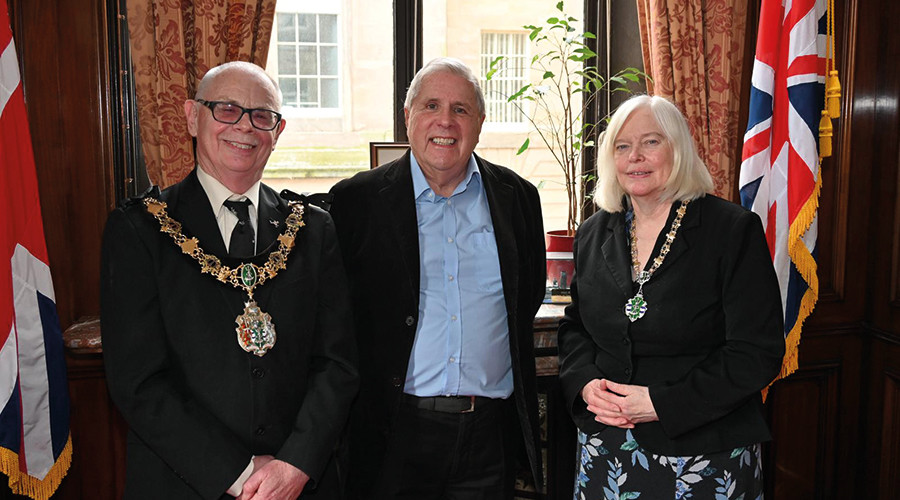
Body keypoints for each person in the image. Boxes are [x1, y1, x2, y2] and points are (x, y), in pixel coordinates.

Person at [100, 61, 358, 500]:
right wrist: (238, 473)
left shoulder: (314, 229)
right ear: (191, 117)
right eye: (227, 108)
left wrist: (296, 463)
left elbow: (337, 365)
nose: (245, 127)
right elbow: (139, 382)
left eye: (262, 115)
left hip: (298, 486)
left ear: (277, 133)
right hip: (183, 484)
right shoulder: (139, 231)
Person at [328, 57, 546, 499]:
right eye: (431, 106)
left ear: (480, 123)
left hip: (490, 437)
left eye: (461, 110)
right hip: (393, 434)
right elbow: (334, 318)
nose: (445, 121)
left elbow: (529, 296)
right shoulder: (356, 202)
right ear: (408, 117)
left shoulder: (518, 198)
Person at [557, 94, 785, 498]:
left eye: (651, 142)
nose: (635, 157)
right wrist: (586, 383)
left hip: (705, 451)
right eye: (622, 146)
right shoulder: (593, 233)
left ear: (678, 149)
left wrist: (662, 403)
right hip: (606, 447)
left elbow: (756, 352)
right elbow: (578, 328)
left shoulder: (731, 230)